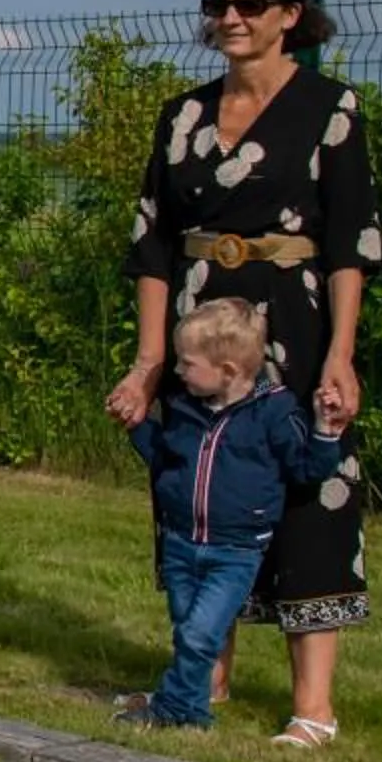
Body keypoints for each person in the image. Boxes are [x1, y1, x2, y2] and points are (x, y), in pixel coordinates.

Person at [105, 0, 382, 749]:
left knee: (309, 496)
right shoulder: (183, 116)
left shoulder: (331, 108)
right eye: (219, 3)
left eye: (250, 4)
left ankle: (313, 708)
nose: (230, 17)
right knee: (195, 493)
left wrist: (341, 354)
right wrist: (149, 362)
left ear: (289, 15)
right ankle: (204, 677)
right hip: (199, 332)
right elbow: (152, 245)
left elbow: (351, 242)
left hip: (294, 330)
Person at [115, 301, 348, 730]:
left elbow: (305, 470)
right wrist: (136, 427)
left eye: (187, 363)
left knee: (201, 633)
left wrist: (325, 433)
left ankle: (172, 707)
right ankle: (192, 712)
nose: (178, 372)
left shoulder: (274, 412)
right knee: (187, 629)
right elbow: (165, 460)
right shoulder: (186, 409)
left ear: (227, 370)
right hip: (182, 541)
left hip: (235, 551)